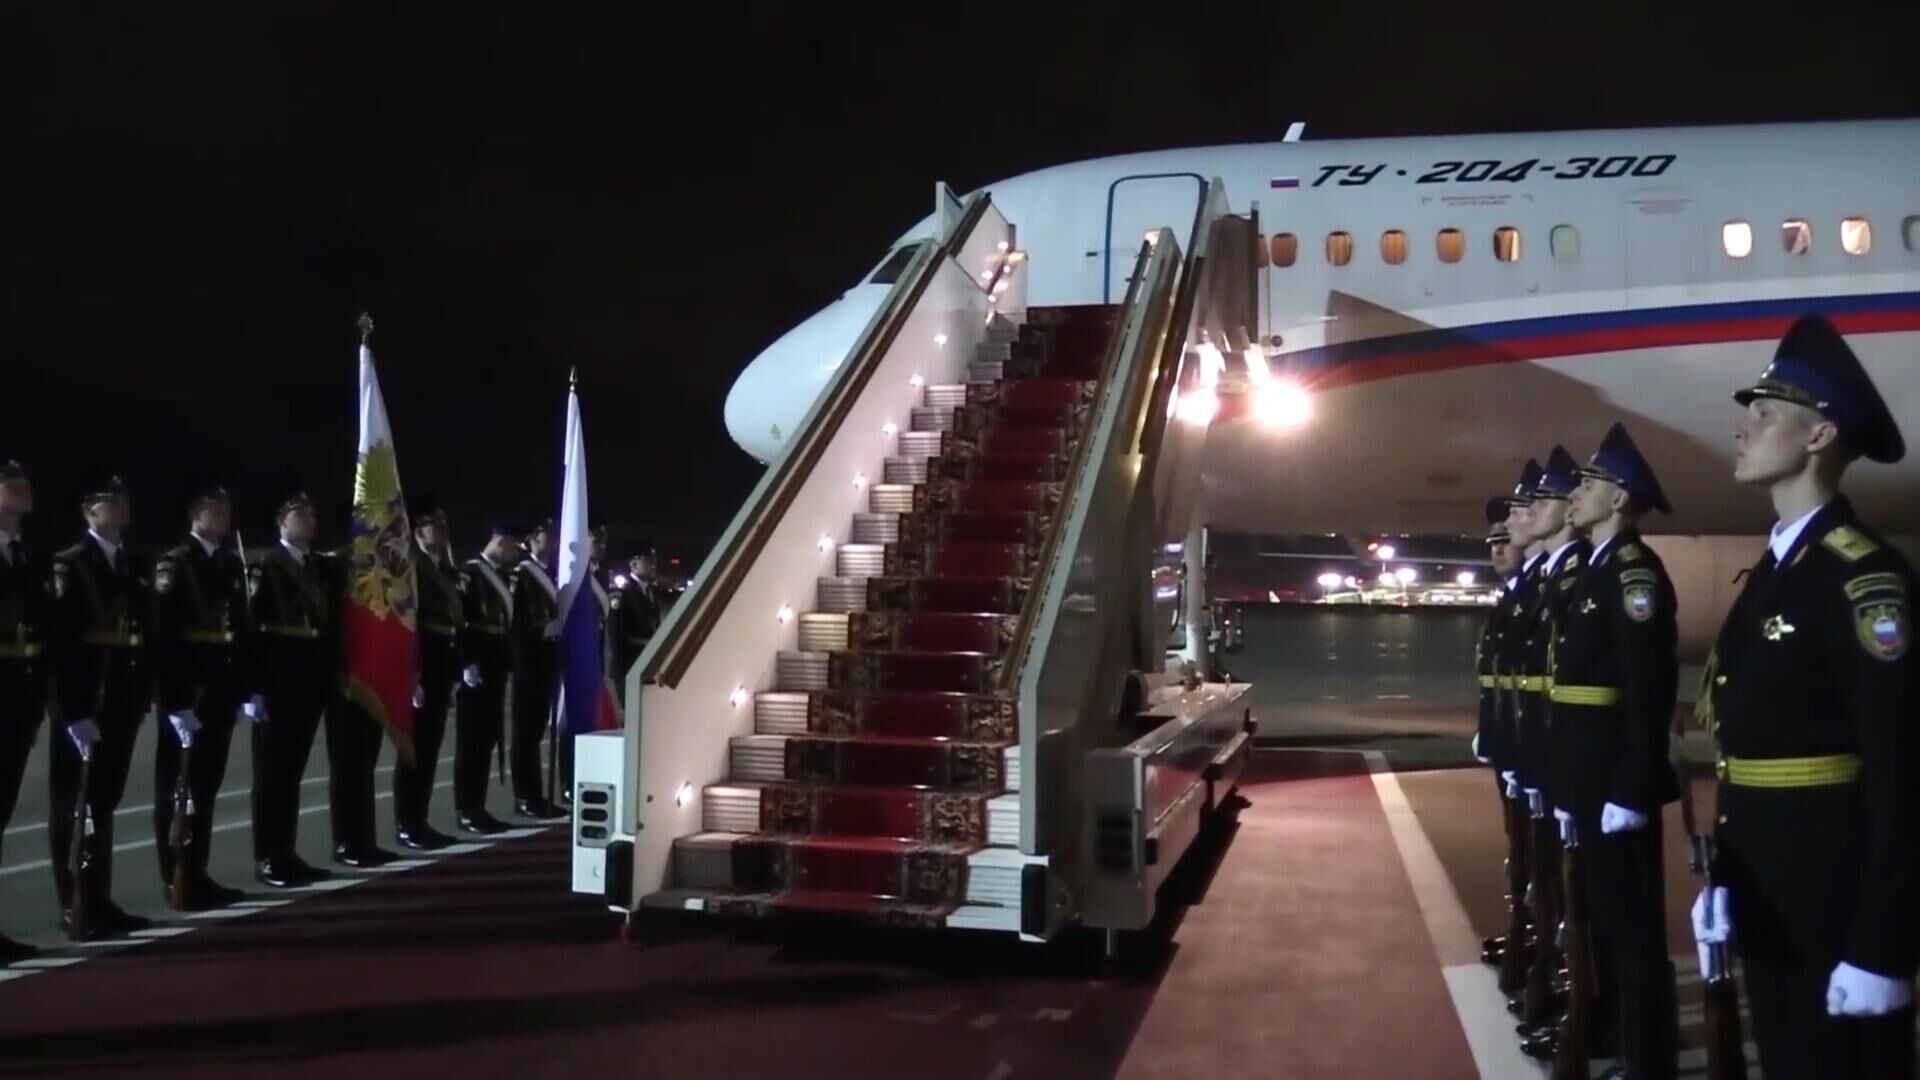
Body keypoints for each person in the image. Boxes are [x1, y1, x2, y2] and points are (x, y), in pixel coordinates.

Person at [1691, 313, 1918, 1079]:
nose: (1742, 427)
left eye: (1765, 413)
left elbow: (1902, 772)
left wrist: (1883, 944)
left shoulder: (1860, 578)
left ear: (1819, 435)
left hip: (1836, 906)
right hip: (1773, 894)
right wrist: (1729, 879)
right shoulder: (1779, 569)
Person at [1553, 422, 1682, 1078]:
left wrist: (1634, 783)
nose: (1576, 494)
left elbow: (1648, 685)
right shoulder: (1598, 569)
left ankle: (1649, 1060)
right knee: (1604, 919)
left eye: (1590, 483)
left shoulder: (1633, 572)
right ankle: (1617, 1040)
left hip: (1614, 780)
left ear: (1621, 498)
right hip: (1589, 774)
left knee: (1633, 929)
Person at [47, 476, 154, 939]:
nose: (122, 506)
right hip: (85, 703)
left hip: (121, 704)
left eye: (125, 499)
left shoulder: (133, 562)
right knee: (75, 807)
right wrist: (70, 711)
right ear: (89, 510)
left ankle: (99, 899)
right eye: (111, 500)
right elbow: (58, 643)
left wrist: (143, 694)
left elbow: (144, 635)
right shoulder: (71, 565)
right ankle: (75, 903)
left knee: (103, 804)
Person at [1514, 446, 1591, 1055]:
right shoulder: (1550, 575)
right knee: (1541, 873)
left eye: (1540, 501)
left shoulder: (1586, 573)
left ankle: (1593, 1017)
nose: (1524, 515)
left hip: (1577, 758)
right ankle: (1561, 989)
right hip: (1544, 747)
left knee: (1590, 905)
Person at [149, 486, 253, 909]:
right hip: (188, 695)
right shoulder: (175, 564)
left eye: (227, 507)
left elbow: (240, 634)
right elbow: (162, 638)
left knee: (205, 789)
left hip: (219, 693)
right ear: (195, 514)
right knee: (178, 790)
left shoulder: (228, 564)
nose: (224, 514)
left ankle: (197, 872)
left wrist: (244, 690)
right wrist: (174, 702)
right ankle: (176, 875)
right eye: (215, 508)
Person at [247, 493, 337, 888]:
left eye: (312, 513)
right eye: (301, 514)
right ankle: (268, 857)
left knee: (291, 774)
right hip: (277, 683)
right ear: (281, 521)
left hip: (309, 682)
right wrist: (253, 688)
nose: (310, 519)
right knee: (271, 776)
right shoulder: (266, 567)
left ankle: (286, 852)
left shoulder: (318, 566)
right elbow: (251, 629)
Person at [397, 497, 477, 850]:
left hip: (442, 667)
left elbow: (455, 624)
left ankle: (420, 819)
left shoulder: (444, 569)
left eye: (444, 524)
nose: (443, 531)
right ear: (418, 531)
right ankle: (408, 823)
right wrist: (410, 673)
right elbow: (407, 624)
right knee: (414, 752)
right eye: (435, 524)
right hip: (423, 667)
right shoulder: (410, 568)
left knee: (429, 750)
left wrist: (459, 665)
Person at [0, 461, 52, 960]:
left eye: (24, 483)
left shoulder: (30, 558)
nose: (22, 491)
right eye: (10, 485)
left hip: (18, 707)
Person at [455, 522, 519, 835]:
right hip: (477, 666)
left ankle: (478, 807)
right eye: (512, 545)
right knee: (471, 742)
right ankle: (467, 809)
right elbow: (459, 620)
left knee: (487, 740)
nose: (515, 552)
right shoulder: (470, 573)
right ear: (500, 541)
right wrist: (466, 661)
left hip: (495, 665)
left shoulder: (502, 577)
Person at [509, 519, 565, 819]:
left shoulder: (552, 574)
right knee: (525, 733)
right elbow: (514, 622)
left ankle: (536, 795)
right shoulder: (521, 575)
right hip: (528, 663)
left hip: (547, 663)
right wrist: (543, 630)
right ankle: (525, 796)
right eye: (547, 534)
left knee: (536, 731)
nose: (553, 540)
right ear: (532, 538)